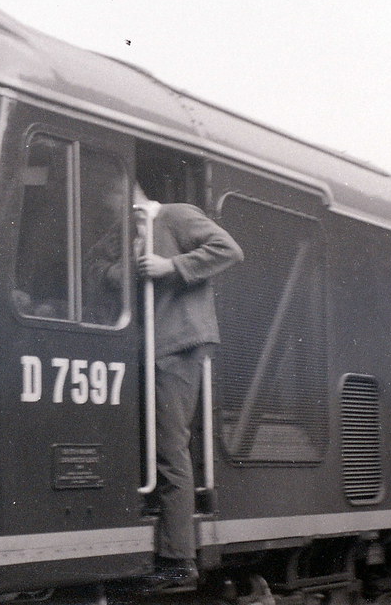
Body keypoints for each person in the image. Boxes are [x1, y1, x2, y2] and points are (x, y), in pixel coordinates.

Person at [128, 184, 243, 590]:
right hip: (146, 349)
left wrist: (171, 266)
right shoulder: (122, 234)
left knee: (169, 447)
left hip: (177, 346)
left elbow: (227, 248)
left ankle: (179, 559)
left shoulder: (175, 215)